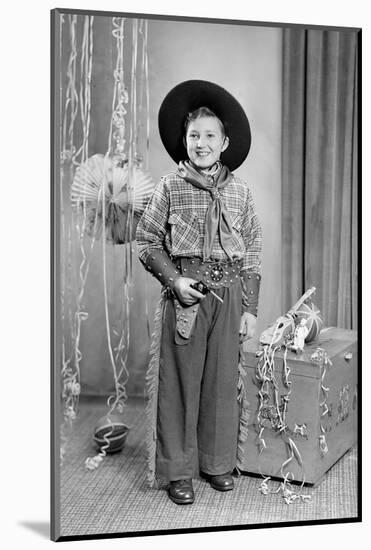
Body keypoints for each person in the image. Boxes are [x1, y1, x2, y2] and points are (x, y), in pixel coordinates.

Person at [136, 80, 262, 505]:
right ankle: (178, 470)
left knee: (222, 383)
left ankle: (216, 462)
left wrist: (250, 307)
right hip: (187, 296)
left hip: (228, 296)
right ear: (184, 141)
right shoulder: (170, 187)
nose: (201, 143)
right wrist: (175, 281)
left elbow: (253, 248)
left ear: (225, 142)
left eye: (210, 136)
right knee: (180, 384)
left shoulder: (240, 191)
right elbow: (147, 240)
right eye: (194, 136)